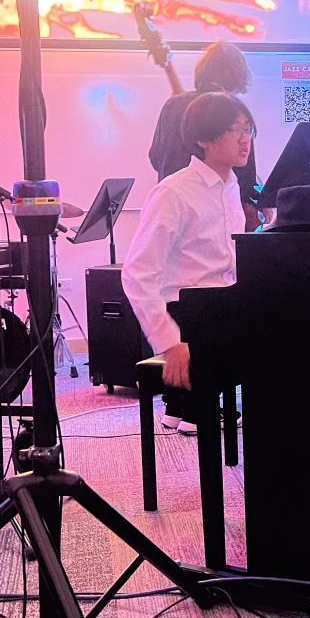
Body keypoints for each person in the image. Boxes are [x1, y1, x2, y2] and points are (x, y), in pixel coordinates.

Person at [124, 92, 252, 433]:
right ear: (204, 139)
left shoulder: (230, 186)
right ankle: (194, 407)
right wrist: (169, 341)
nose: (245, 139)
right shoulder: (174, 192)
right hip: (189, 312)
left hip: (221, 305)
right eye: (234, 130)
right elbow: (137, 274)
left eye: (248, 128)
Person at [148, 41, 261, 222]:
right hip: (216, 210)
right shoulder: (232, 110)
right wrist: (256, 204)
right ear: (237, 75)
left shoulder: (172, 105)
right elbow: (245, 175)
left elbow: (156, 157)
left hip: (169, 205)